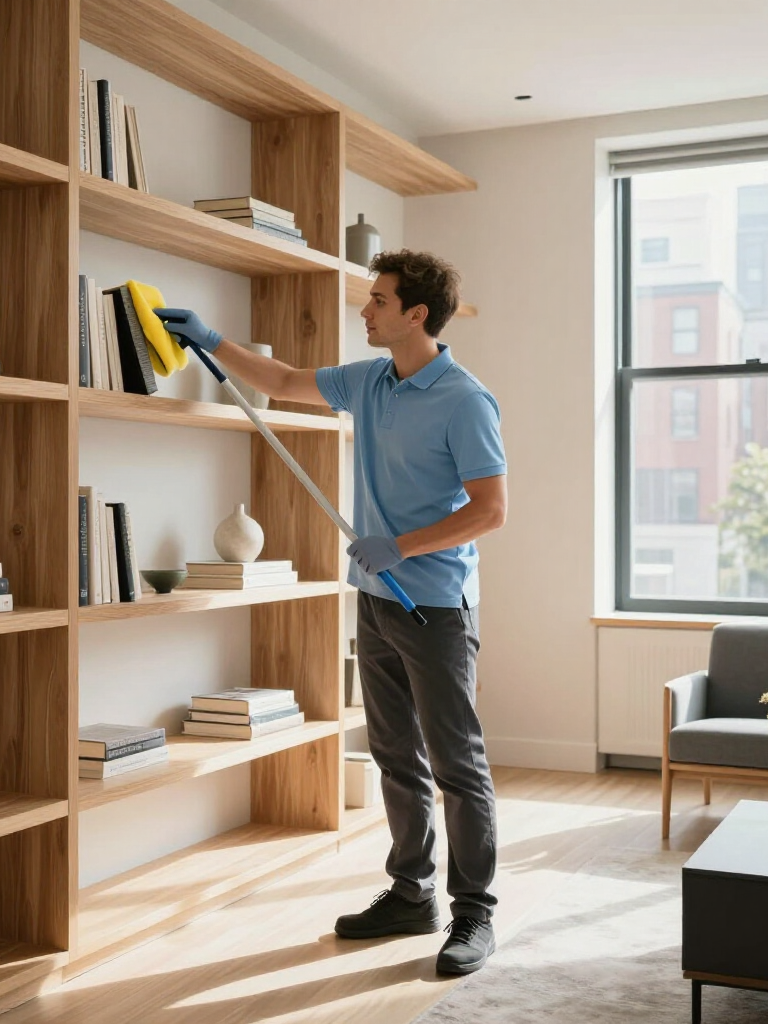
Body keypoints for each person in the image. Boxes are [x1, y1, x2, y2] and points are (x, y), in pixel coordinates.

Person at [155, 248, 507, 976]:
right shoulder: (371, 380)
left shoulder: (465, 399)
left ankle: (474, 913)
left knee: (456, 765)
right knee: (394, 756)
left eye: (378, 300)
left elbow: (491, 511)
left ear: (417, 314)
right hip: (376, 600)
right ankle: (413, 894)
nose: (365, 310)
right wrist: (210, 338)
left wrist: (401, 546)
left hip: (434, 607)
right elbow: (283, 382)